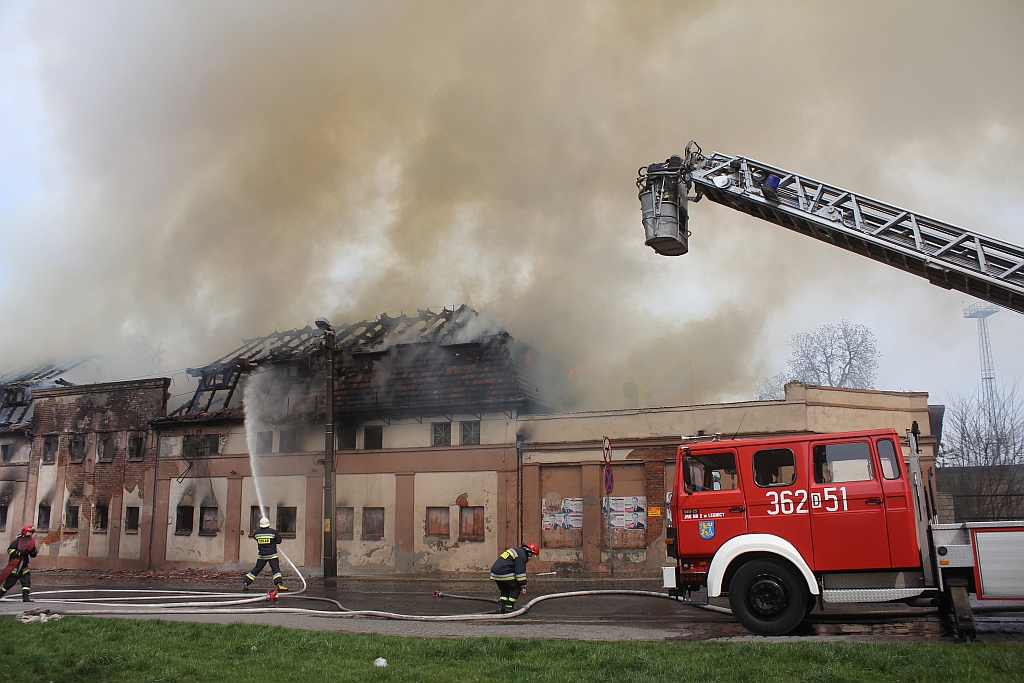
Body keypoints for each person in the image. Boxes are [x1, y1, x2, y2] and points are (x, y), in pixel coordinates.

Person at [489, 542, 539, 614]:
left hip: (495, 573)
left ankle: (502, 607)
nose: (531, 557)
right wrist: (523, 586)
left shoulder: (517, 551)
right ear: (529, 552)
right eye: (532, 555)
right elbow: (520, 572)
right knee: (515, 589)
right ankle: (509, 607)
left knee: (505, 589)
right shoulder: (522, 556)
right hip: (504, 572)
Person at [242, 517, 289, 592]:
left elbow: (255, 538)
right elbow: (279, 541)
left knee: (256, 570)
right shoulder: (273, 532)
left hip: (262, 556)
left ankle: (246, 582)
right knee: (275, 570)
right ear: (268, 524)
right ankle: (279, 584)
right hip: (272, 555)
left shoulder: (257, 533)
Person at [0, 525, 37, 602]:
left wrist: (33, 551)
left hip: (24, 567)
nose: (30, 534)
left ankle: (26, 598)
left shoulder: (30, 543)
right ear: (25, 531)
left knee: (26, 582)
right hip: (15, 567)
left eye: (32, 532)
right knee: (9, 584)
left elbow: (32, 555)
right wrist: (18, 553)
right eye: (29, 532)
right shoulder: (17, 542)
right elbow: (10, 550)